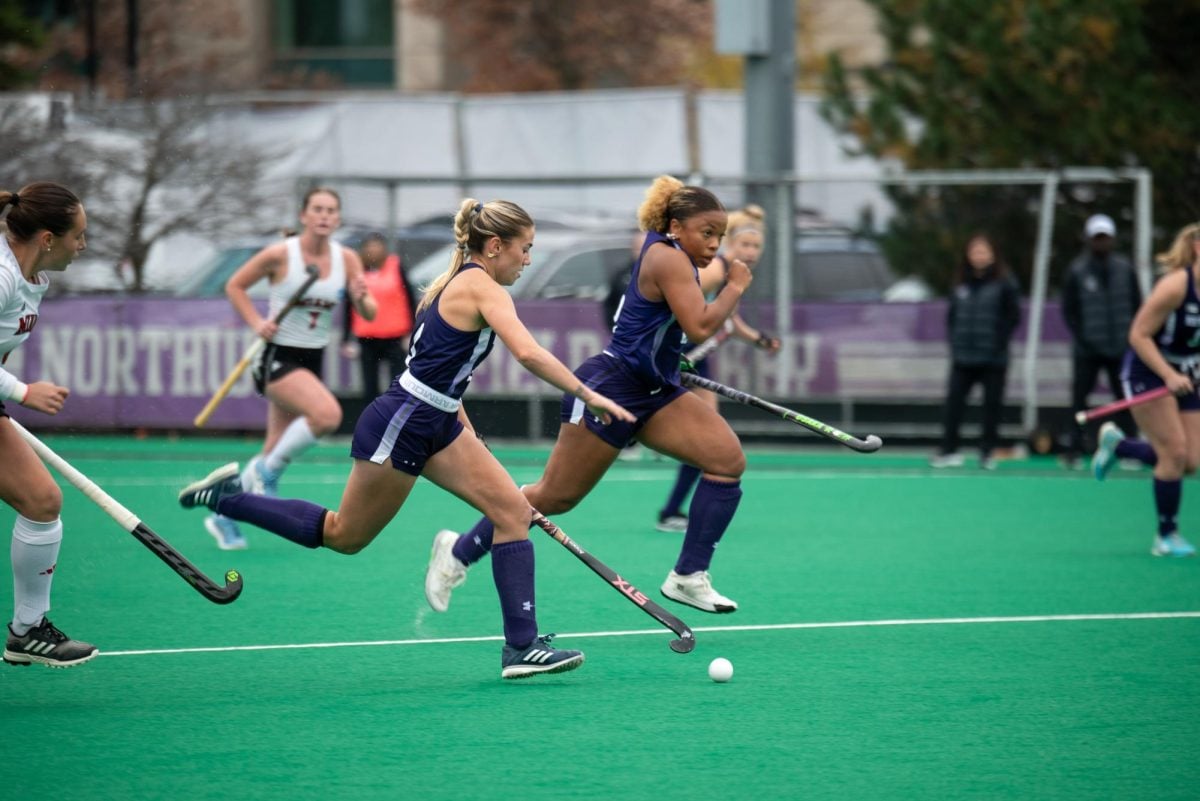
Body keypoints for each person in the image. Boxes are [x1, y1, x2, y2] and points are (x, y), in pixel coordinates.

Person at [178, 198, 634, 678]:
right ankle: (230, 498)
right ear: (496, 245)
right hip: (403, 423)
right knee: (344, 535)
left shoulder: (463, 283)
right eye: (525, 248)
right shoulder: (480, 286)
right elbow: (527, 353)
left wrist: (469, 433)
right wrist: (587, 393)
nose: (528, 259)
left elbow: (443, 373)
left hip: (437, 420)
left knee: (512, 511)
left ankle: (520, 648)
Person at [426, 175, 753, 615]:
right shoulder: (668, 257)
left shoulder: (673, 253)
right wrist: (734, 286)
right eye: (707, 233)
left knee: (726, 460)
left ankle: (688, 576)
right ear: (675, 226)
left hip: (654, 389)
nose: (715, 244)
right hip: (610, 387)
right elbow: (699, 325)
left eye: (721, 236)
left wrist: (669, 356)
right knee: (555, 497)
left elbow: (657, 326)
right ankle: (458, 552)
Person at [203, 187, 377, 550]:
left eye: (331, 210)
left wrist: (361, 295)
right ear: (304, 215)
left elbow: (370, 313)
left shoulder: (347, 259)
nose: (325, 215)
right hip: (275, 355)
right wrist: (255, 322)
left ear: (338, 218)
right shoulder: (282, 253)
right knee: (327, 414)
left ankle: (224, 512)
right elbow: (235, 285)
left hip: (313, 358)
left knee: (275, 445)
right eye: (318, 209)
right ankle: (267, 473)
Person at [0, 182, 97, 668]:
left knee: (42, 501)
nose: (82, 246)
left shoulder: (30, 279)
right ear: (46, 238)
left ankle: (27, 631)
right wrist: (21, 391)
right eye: (78, 236)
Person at [655, 204, 780, 532]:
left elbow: (729, 319)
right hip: (684, 352)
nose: (750, 252)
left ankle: (672, 509)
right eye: (744, 245)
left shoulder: (734, 274)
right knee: (708, 438)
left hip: (698, 354)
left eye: (756, 247)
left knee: (707, 438)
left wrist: (759, 340)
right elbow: (682, 303)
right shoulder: (717, 269)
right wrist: (680, 344)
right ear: (729, 245)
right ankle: (670, 510)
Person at [1090, 223, 1200, 557]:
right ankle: (1166, 536)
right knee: (1174, 453)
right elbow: (1138, 334)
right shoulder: (1175, 286)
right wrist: (1167, 374)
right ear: (1197, 248)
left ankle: (1120, 447)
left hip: (1187, 373)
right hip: (1147, 370)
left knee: (1191, 460)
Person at [930, 234, 1021, 470]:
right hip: (963, 356)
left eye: (984, 251)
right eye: (975, 251)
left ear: (993, 254)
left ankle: (987, 452)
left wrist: (998, 342)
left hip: (993, 357)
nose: (979, 255)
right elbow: (951, 318)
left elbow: (1013, 317)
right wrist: (955, 343)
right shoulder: (960, 283)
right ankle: (948, 450)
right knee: (954, 404)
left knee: (992, 407)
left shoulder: (1004, 282)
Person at [1061, 214, 1142, 463]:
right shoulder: (1076, 270)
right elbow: (1070, 309)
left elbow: (1137, 305)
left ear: (1112, 239)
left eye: (1105, 237)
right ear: (1089, 239)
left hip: (1120, 348)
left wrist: (1128, 337)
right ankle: (1074, 449)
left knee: (1125, 399)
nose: (1101, 242)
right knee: (1079, 399)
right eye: (1097, 238)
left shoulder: (1125, 269)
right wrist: (1084, 337)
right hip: (1087, 349)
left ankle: (1131, 448)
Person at [341, 232, 416, 402]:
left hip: (395, 338)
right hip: (366, 339)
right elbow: (349, 305)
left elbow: (409, 299)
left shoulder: (396, 266)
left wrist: (411, 331)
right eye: (369, 247)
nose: (373, 251)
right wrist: (346, 339)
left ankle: (395, 423)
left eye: (377, 246)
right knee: (370, 387)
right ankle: (372, 425)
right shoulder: (357, 271)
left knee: (397, 384)